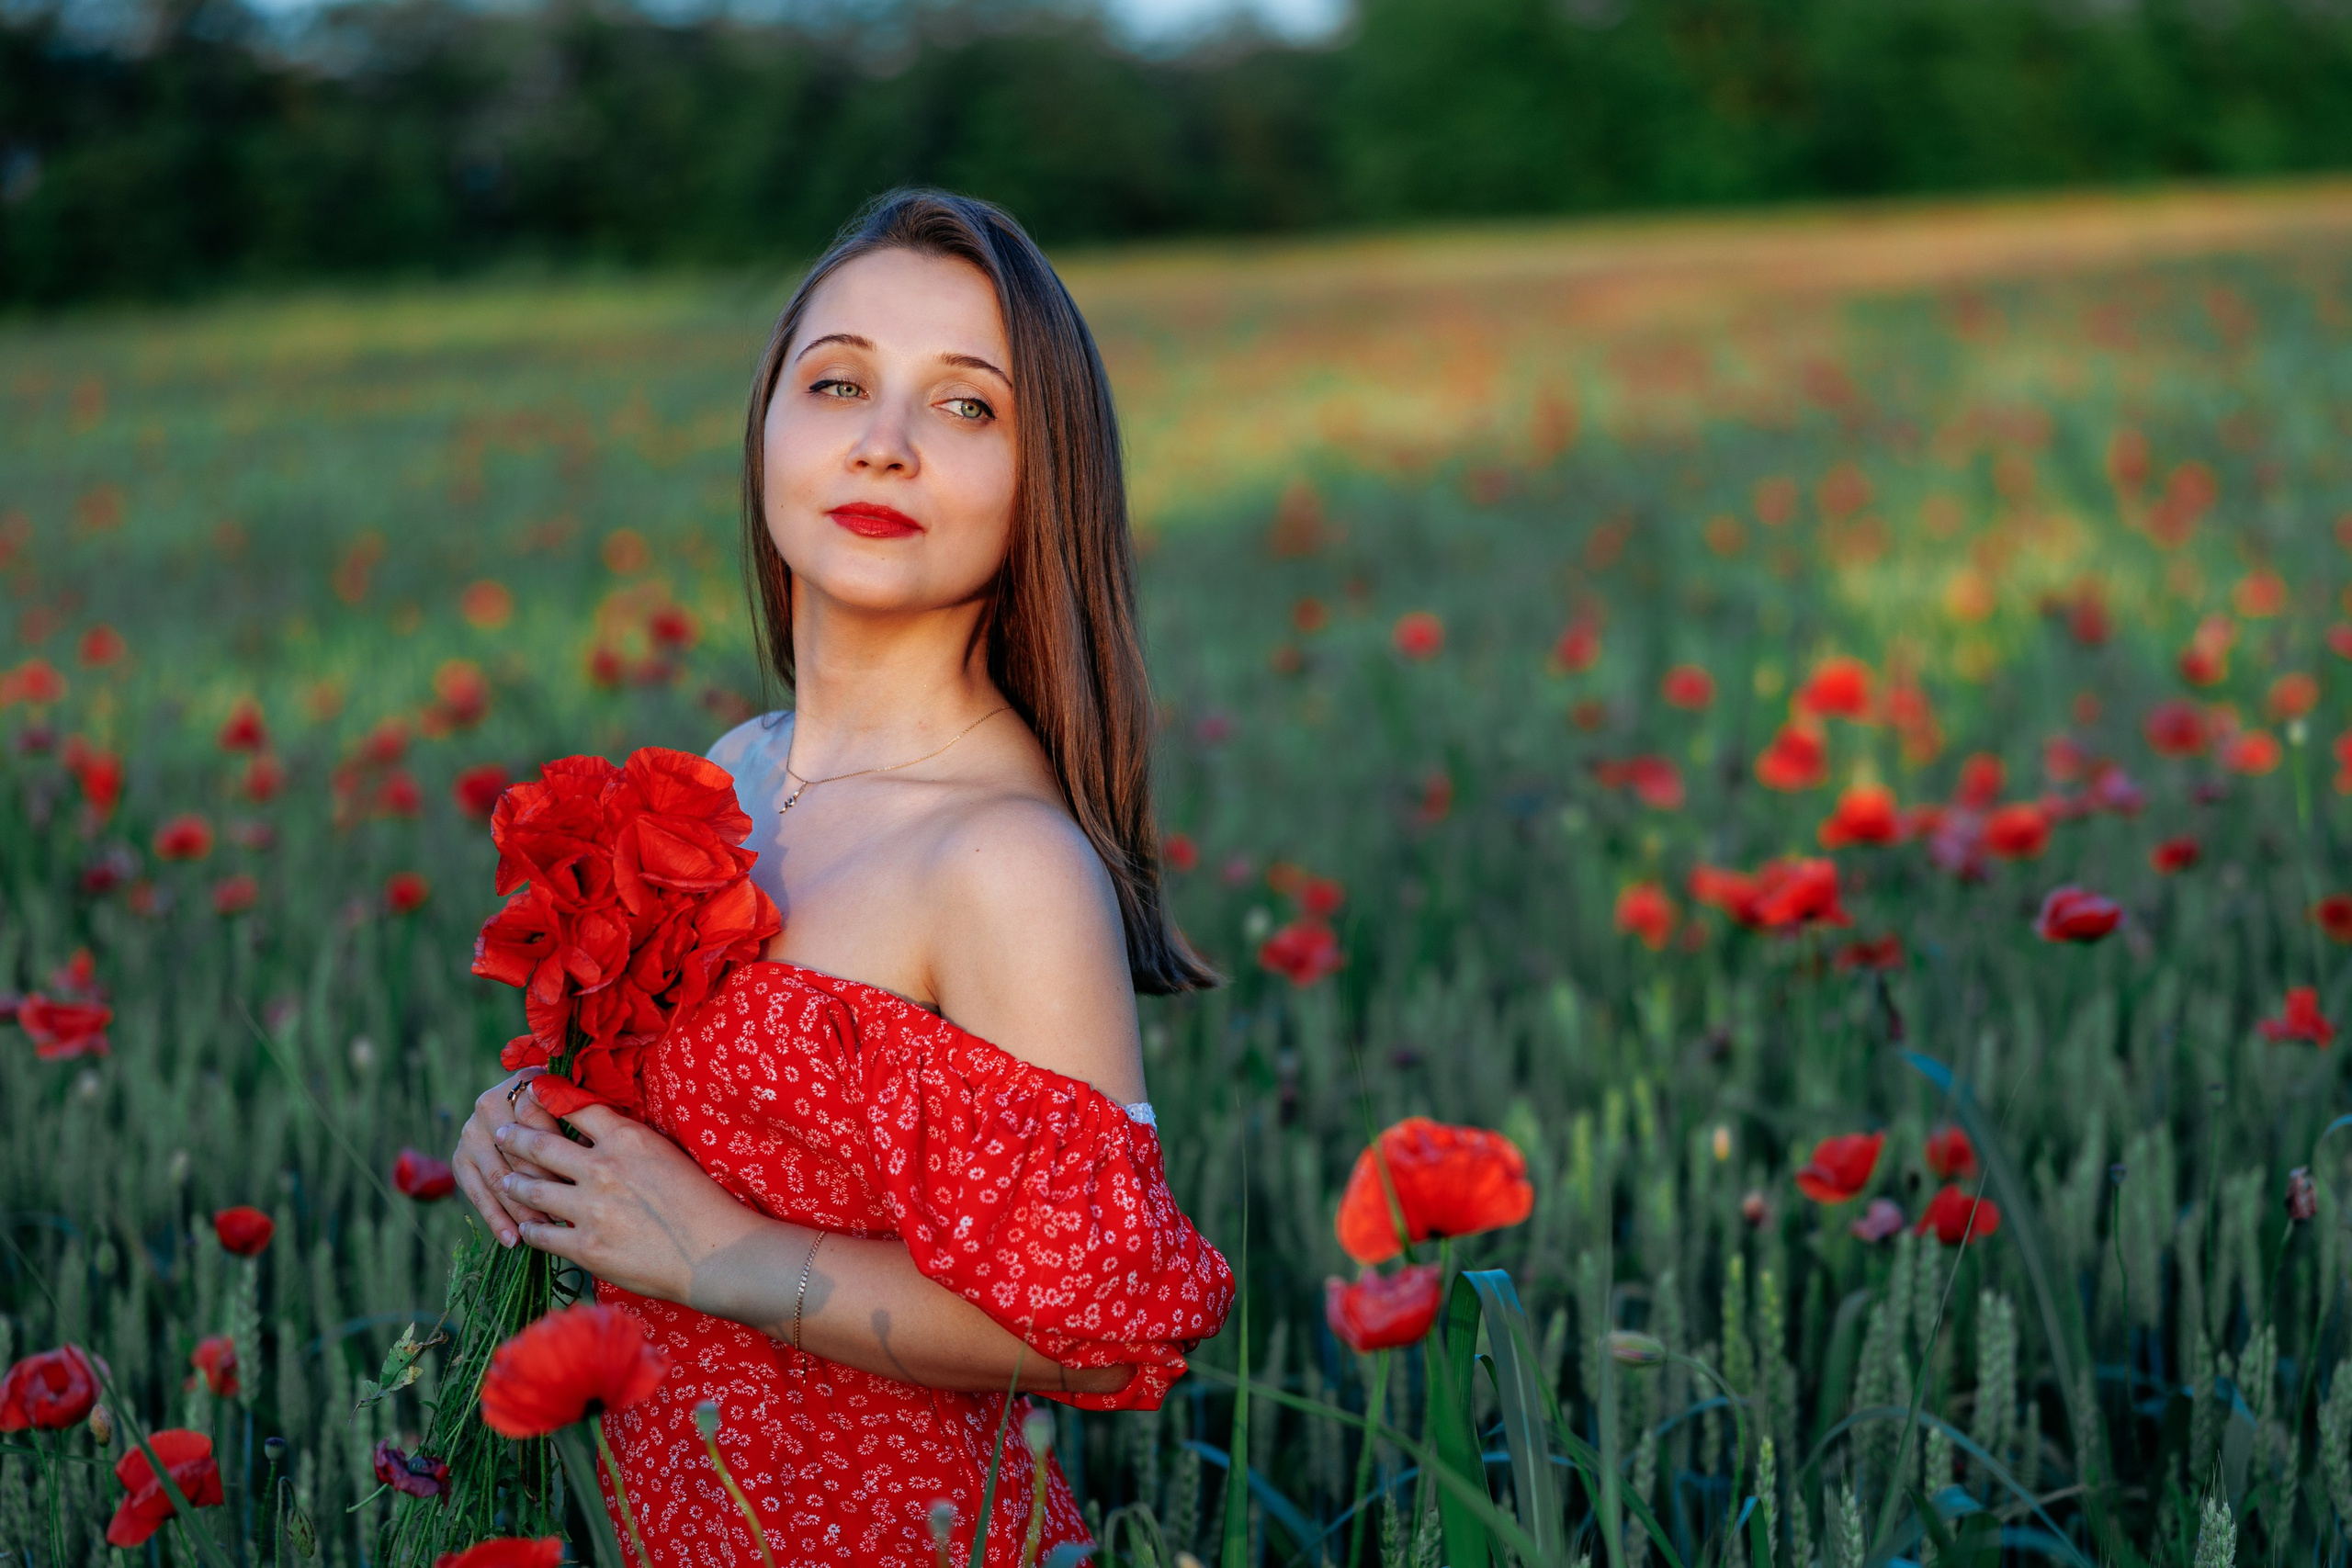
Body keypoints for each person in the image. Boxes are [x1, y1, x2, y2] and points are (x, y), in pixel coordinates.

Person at [448, 189, 1233, 1567]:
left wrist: (725, 1262)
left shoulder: (1004, 865)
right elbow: (689, 1125)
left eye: (966, 408)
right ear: (768, 426)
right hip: (676, 1520)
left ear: (1046, 480)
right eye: (839, 383)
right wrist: (527, 1136)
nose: (883, 445)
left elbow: (1098, 1319)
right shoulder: (731, 774)